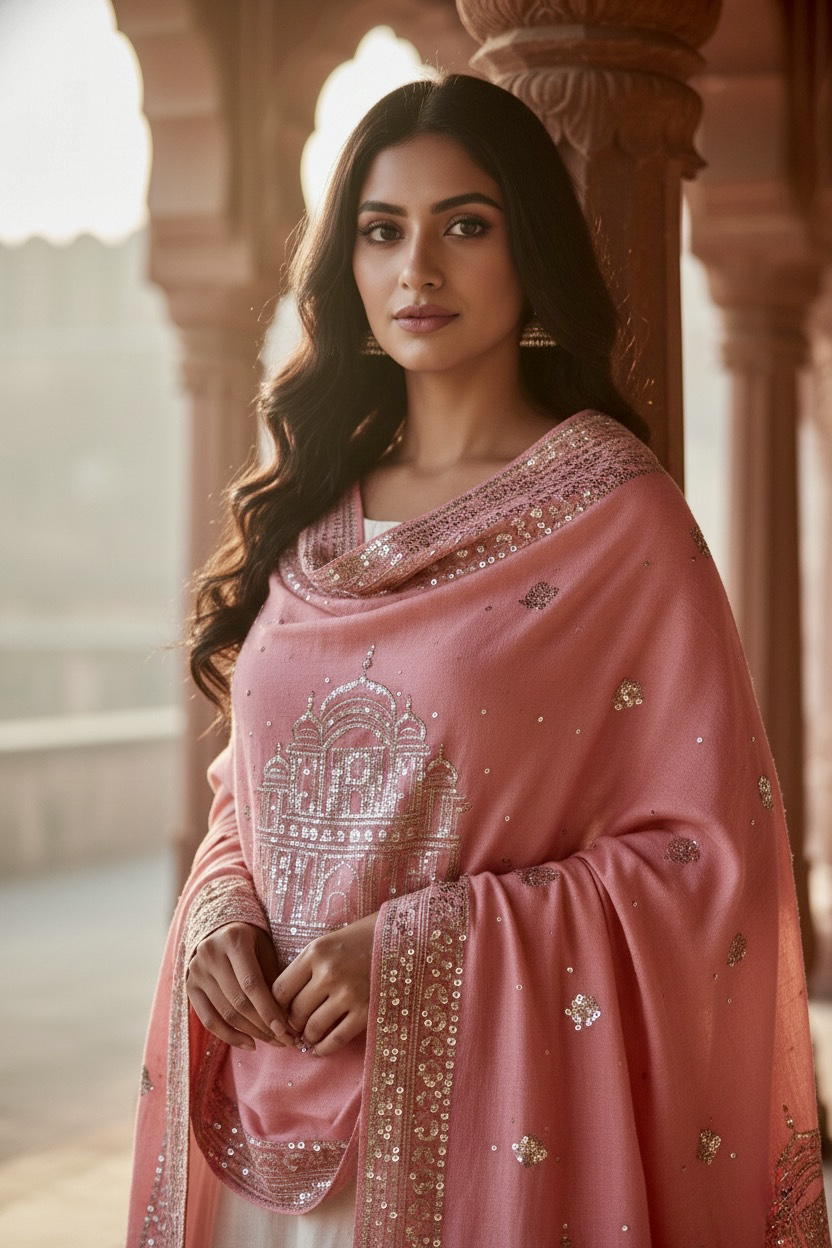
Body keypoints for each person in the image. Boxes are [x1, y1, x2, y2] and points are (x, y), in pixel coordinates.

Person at [127, 74, 829, 1248]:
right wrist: (218, 915)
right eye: (381, 230)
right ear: (346, 266)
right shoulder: (312, 517)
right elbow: (246, 800)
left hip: (489, 1143)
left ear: (529, 249)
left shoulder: (617, 520)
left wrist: (420, 954)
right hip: (266, 1135)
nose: (419, 270)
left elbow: (708, 861)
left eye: (466, 224)